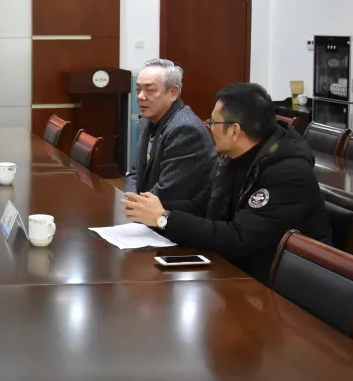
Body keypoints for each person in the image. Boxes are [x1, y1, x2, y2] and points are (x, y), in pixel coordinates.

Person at [123, 82, 331, 283]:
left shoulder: (287, 173)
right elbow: (201, 206)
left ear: (234, 130)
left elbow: (239, 238)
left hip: (281, 283)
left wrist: (164, 219)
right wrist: (152, 208)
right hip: (241, 267)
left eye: (213, 122)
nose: (208, 127)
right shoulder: (233, 157)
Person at [124, 59, 216, 202]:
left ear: (173, 92)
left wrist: (136, 204)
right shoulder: (145, 121)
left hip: (174, 212)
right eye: (138, 90)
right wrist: (129, 198)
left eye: (149, 90)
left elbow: (168, 191)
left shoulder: (185, 129)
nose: (140, 96)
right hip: (146, 208)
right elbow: (136, 172)